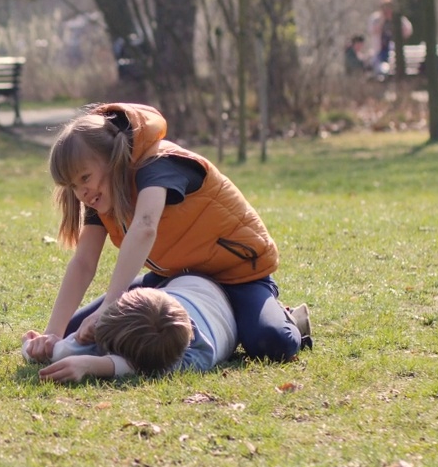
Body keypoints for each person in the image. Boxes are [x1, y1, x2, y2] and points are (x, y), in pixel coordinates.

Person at [21, 103, 311, 369]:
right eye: (73, 185)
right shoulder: (99, 195)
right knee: (76, 335)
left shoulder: (160, 164)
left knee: (271, 343)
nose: (82, 193)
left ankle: (282, 316)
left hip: (236, 278)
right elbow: (84, 262)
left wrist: (110, 308)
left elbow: (146, 224)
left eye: (85, 177)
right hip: (175, 281)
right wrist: (52, 334)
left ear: (112, 160)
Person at [26, 275, 308, 381]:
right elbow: (135, 359)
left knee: (272, 339)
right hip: (180, 284)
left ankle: (284, 316)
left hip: (227, 294)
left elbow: (149, 368)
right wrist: (47, 345)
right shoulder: (158, 314)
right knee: (79, 325)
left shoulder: (196, 356)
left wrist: (87, 361)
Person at [365, 0, 413, 77]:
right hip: (380, 52)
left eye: (390, 7)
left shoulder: (398, 19)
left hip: (394, 52)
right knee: (382, 68)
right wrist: (383, 19)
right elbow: (372, 30)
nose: (387, 10)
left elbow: (408, 30)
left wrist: (396, 20)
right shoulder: (375, 18)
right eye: (385, 7)